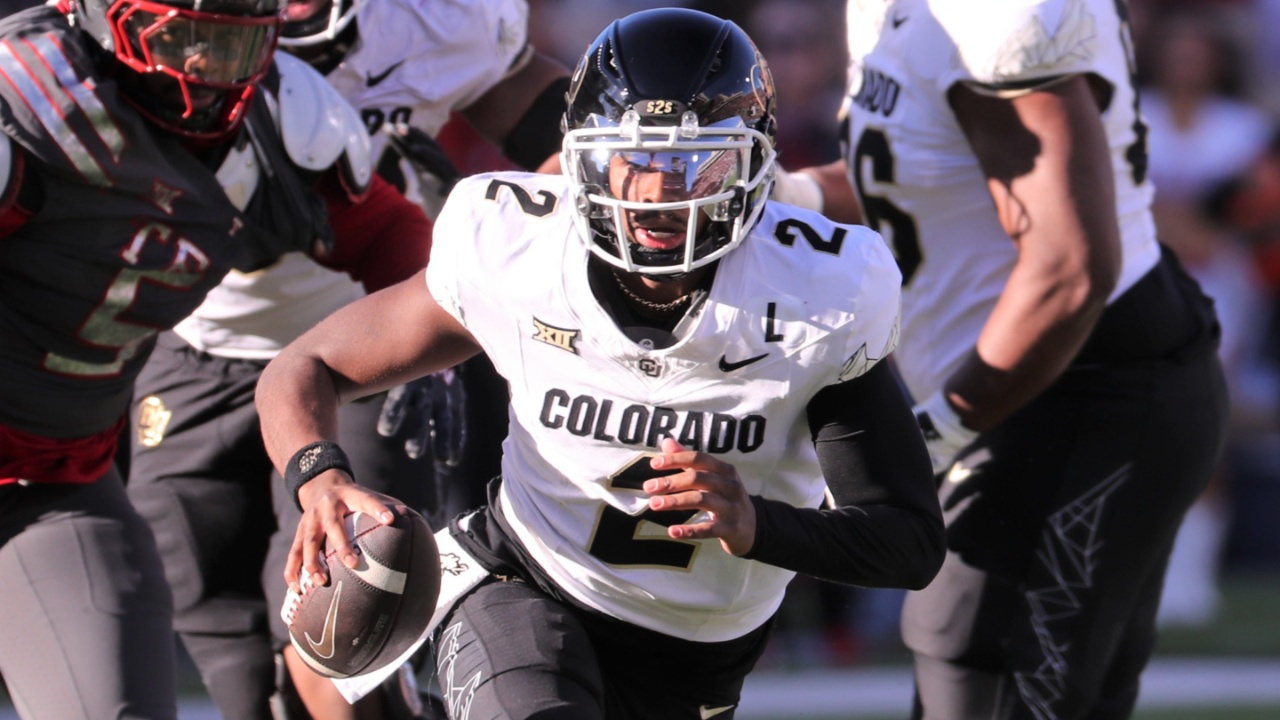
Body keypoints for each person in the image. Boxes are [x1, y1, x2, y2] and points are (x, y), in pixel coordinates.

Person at [256, 8, 946, 719]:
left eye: (690, 162)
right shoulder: (520, 247)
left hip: (694, 653)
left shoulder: (814, 297)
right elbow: (305, 364)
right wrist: (320, 479)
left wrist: (756, 524)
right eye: (633, 158)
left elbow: (909, 541)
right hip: (526, 578)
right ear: (582, 155)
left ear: (753, 165)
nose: (653, 191)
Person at [123, 0, 570, 717]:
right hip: (196, 340)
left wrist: (501, 224)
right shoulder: (165, 19)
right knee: (227, 646)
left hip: (358, 356)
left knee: (341, 629)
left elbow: (574, 139)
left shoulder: (433, 21)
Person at [795, 1, 1232, 717]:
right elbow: (923, 161)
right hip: (1046, 387)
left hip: (1067, 385)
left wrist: (936, 432)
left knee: (975, 664)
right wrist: (782, 195)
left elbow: (1070, 267)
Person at [0, 1, 432, 718]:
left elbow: (387, 232)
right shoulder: (26, 109)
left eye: (229, 46)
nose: (204, 69)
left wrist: (441, 353)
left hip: (54, 478)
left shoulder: (276, 121)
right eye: (181, 39)